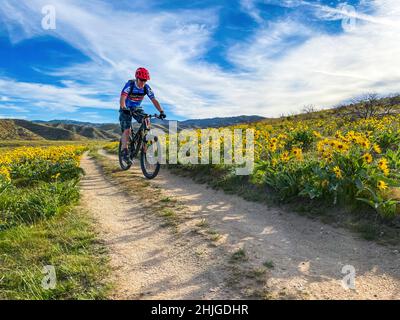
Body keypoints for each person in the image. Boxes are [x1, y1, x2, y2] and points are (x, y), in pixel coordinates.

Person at [119, 67, 166, 162]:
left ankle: (144, 145)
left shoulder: (146, 88)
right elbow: (122, 98)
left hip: (137, 108)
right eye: (142, 80)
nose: (143, 82)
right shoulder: (130, 85)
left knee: (146, 119)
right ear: (137, 78)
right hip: (126, 108)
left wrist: (161, 111)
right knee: (127, 130)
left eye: (145, 80)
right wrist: (124, 108)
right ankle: (124, 150)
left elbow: (154, 100)